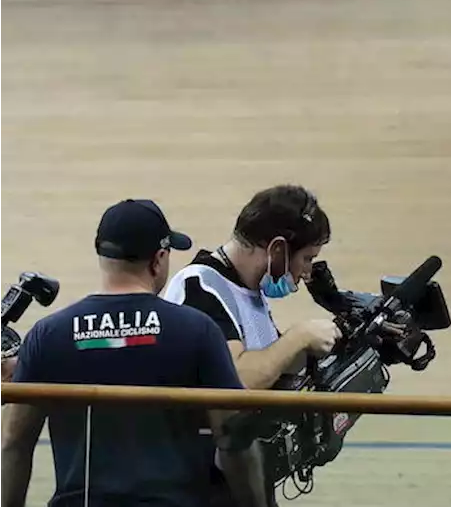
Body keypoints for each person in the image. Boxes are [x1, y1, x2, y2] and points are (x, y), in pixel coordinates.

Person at [0, 199, 266, 507]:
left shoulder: (47, 335)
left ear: (101, 255)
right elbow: (234, 438)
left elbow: (13, 442)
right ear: (159, 259)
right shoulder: (197, 330)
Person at [161, 184, 341, 505]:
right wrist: (299, 337)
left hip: (241, 477)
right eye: (307, 258)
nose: (307, 272)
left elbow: (269, 367)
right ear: (277, 250)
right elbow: (237, 383)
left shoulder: (248, 293)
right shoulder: (200, 287)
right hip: (199, 486)